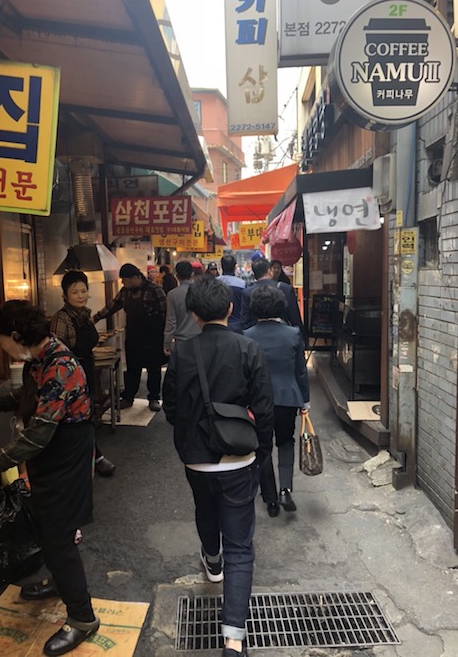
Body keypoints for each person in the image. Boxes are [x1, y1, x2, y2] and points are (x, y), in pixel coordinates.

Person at [0, 300, 99, 656]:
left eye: (2, 341)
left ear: (16, 336)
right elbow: (32, 393)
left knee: (59, 537)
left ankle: (82, 617)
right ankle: (59, 582)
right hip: (50, 457)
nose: (2, 347)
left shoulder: (61, 365)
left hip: (66, 456)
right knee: (44, 524)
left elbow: (37, 436)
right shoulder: (41, 356)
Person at [163, 276, 274, 657]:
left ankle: (212, 561)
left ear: (193, 314)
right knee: (240, 546)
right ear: (230, 308)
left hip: (196, 459)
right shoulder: (248, 348)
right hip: (239, 458)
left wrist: (189, 436)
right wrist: (261, 451)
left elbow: (171, 407)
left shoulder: (181, 353)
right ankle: (233, 641)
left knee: (204, 509)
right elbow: (264, 408)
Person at [244, 285, 310, 516]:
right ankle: (285, 489)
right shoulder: (293, 334)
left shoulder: (246, 336)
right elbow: (300, 371)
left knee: (262, 447)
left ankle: (270, 500)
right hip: (288, 398)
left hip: (258, 401)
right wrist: (305, 401)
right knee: (285, 442)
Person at [51, 270, 115, 477]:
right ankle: (94, 458)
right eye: (74, 292)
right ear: (65, 295)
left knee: (87, 416)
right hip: (70, 376)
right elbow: (56, 353)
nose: (80, 295)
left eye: (83, 291)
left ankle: (87, 458)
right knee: (77, 419)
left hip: (87, 369)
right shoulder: (61, 319)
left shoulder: (85, 315)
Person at [94, 263, 166, 412]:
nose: (122, 282)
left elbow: (165, 312)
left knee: (153, 369)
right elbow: (112, 306)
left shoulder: (154, 290)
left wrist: (167, 336)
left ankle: (154, 398)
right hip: (133, 336)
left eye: (124, 279)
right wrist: (95, 318)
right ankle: (128, 397)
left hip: (153, 337)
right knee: (133, 368)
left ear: (135, 277)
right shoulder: (125, 292)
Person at [241, 258, 303, 333]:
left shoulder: (247, 292)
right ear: (269, 271)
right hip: (282, 333)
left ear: (254, 274)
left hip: (256, 335)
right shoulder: (285, 289)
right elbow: (294, 317)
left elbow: (245, 320)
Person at [163, 261, 201, 356]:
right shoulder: (201, 291)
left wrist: (167, 342)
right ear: (192, 274)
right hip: (200, 338)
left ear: (176, 276)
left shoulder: (172, 295)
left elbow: (171, 321)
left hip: (181, 341)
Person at [217, 253, 246, 334]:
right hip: (237, 325)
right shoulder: (242, 284)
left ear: (221, 266)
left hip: (218, 324)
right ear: (235, 267)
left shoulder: (214, 283)